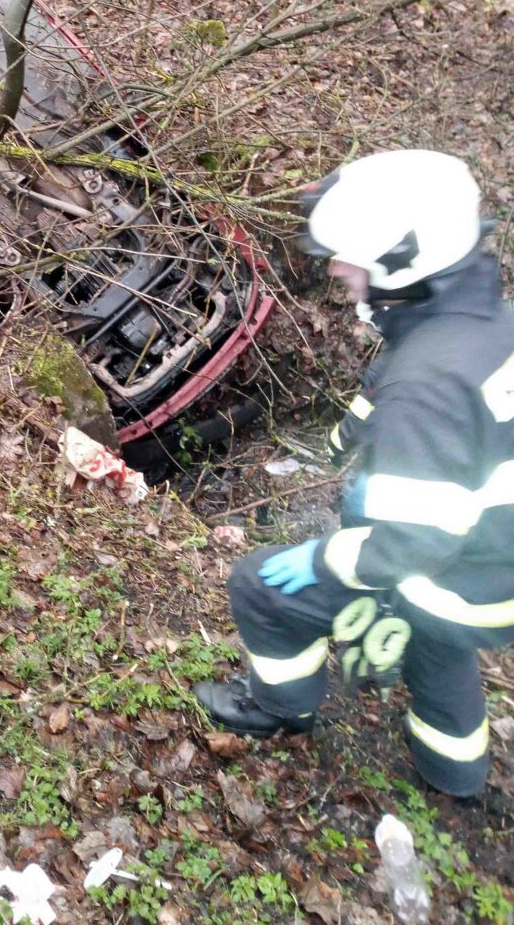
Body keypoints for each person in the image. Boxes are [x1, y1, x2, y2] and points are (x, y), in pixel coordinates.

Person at [193, 149, 514, 798]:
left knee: (258, 584)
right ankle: (455, 773)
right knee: (437, 644)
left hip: (455, 575)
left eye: (351, 254)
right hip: (494, 566)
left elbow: (407, 547)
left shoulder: (424, 380)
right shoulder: (491, 325)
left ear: (403, 261)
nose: (337, 267)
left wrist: (321, 558)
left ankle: (279, 709)